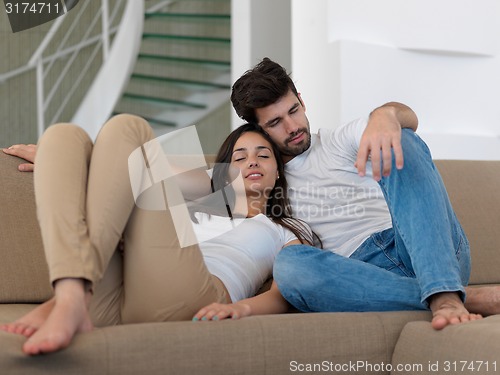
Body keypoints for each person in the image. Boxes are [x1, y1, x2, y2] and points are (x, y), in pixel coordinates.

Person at [226, 57, 500, 330]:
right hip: (361, 276)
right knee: (289, 266)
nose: (293, 127)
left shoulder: (336, 141)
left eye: (294, 111)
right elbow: (194, 190)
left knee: (400, 138)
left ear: (301, 100)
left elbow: (407, 118)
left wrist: (386, 115)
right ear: (257, 130)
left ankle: (443, 289)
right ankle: (456, 296)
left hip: (421, 247)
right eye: (275, 122)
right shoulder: (259, 179)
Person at [0, 116, 313, 355]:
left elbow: (285, 291)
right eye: (239, 158)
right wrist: (62, 163)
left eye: (263, 155)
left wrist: (241, 309)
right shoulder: (200, 199)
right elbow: (130, 170)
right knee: (62, 137)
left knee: (128, 127)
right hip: (116, 295)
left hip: (193, 296)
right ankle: (73, 293)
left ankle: (66, 298)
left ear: (278, 171)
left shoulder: (284, 229)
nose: (252, 162)